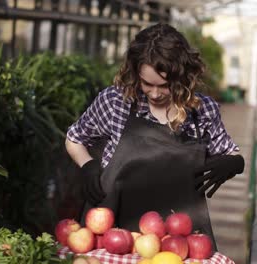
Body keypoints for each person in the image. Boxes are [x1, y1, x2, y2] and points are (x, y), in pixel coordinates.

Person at [65, 23, 244, 250]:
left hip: (180, 238)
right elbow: (74, 138)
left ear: (181, 77)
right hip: (112, 233)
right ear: (135, 72)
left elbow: (229, 150)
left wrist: (235, 162)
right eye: (147, 84)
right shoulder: (116, 102)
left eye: (165, 85)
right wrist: (87, 164)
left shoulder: (201, 110)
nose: (155, 93)